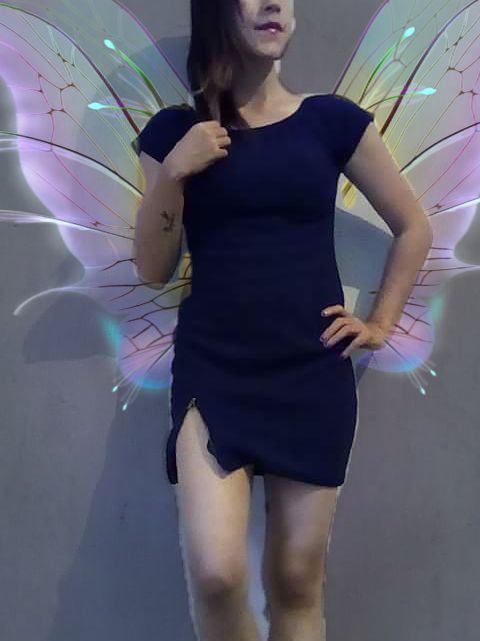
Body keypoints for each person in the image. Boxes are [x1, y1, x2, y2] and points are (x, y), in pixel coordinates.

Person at [133, 1, 433, 640]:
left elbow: (413, 227)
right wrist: (175, 172)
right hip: (213, 372)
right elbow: (153, 268)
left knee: (296, 579)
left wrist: (379, 322)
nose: (275, 2)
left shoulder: (331, 121)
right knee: (216, 575)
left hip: (310, 370)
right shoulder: (174, 133)